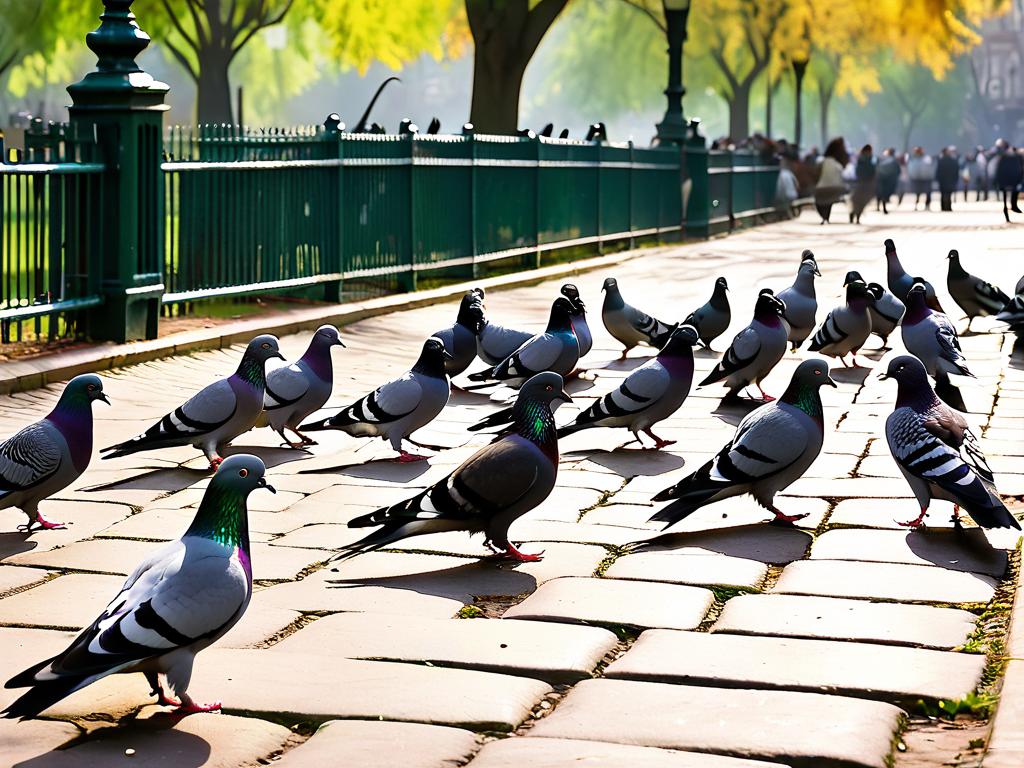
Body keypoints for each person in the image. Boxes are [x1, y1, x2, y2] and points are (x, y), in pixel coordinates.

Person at [814, 137, 848, 224]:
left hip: (821, 188)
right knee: (828, 202)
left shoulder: (822, 162)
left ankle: (824, 217)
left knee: (821, 201)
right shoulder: (838, 164)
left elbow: (816, 174)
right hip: (836, 188)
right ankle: (826, 217)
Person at [995, 141, 1024, 222]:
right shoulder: (1014, 156)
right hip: (1011, 180)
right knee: (1011, 195)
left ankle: (1012, 208)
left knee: (1009, 196)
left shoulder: (1004, 156)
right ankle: (1011, 209)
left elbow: (999, 170)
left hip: (1009, 180)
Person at [849, 144, 876, 223]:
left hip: (864, 183)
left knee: (861, 202)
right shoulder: (862, 159)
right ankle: (855, 214)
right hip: (862, 183)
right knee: (859, 201)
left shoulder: (867, 159)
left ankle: (855, 215)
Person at [876, 148, 900, 214]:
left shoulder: (881, 159)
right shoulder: (894, 160)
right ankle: (883, 207)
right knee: (885, 194)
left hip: (880, 178)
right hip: (889, 179)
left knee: (880, 193)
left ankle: (879, 206)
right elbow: (898, 170)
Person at [936, 146, 960, 212]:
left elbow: (938, 172)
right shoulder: (953, 161)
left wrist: (937, 179)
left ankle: (944, 207)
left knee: (944, 194)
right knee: (948, 194)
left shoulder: (941, 161)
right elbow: (956, 171)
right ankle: (948, 207)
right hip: (950, 180)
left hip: (943, 181)